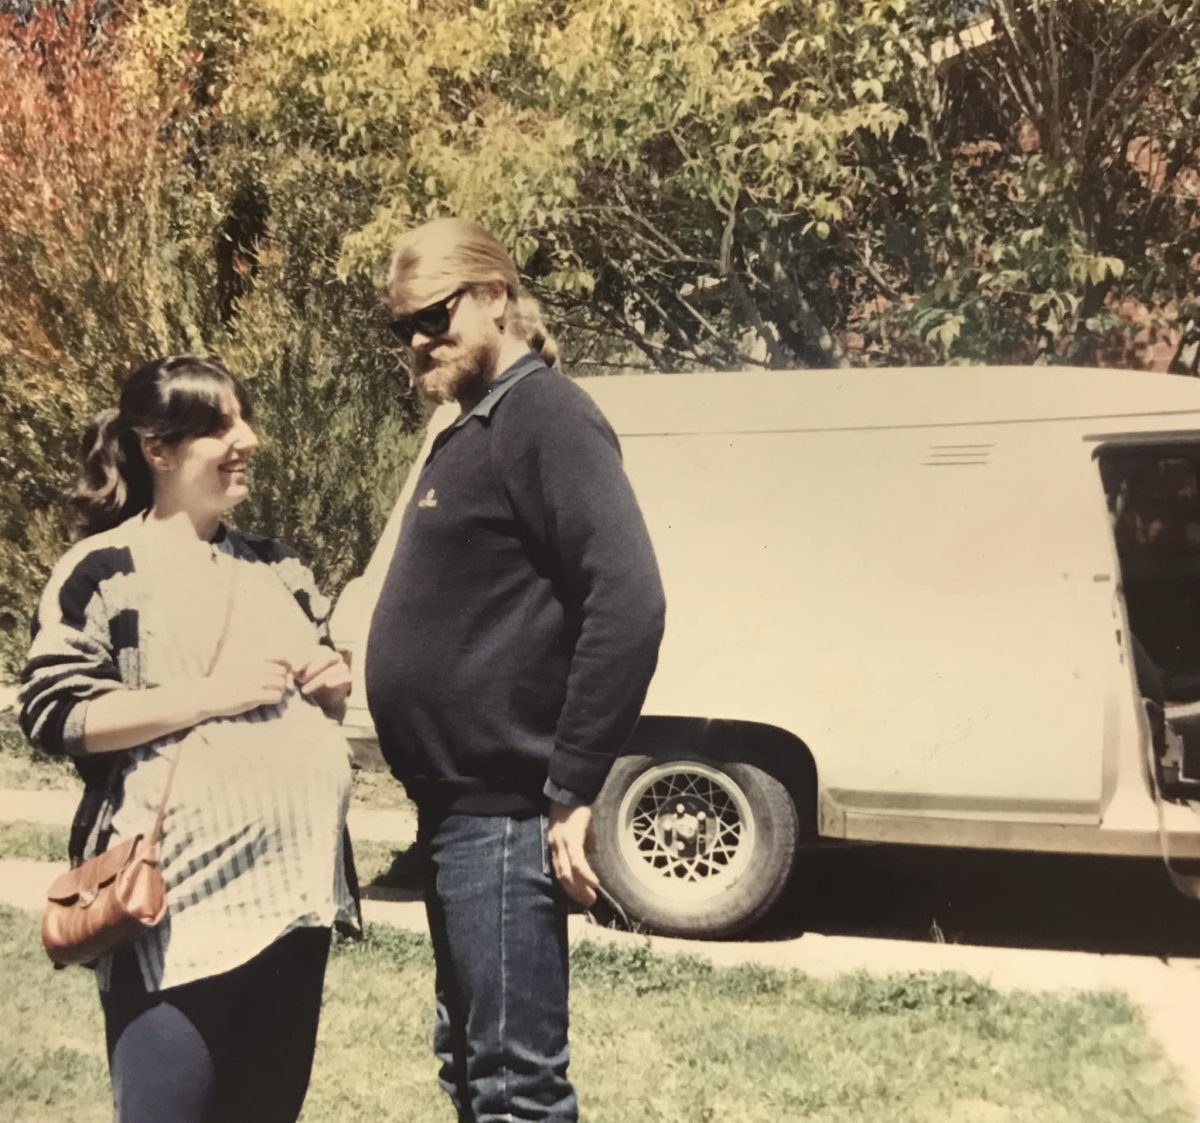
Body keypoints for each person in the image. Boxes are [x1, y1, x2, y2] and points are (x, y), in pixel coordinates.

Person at [366, 217, 667, 1122]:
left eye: (432, 317)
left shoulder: (547, 414)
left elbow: (629, 601)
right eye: (402, 328)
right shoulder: (474, 426)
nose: (417, 342)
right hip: (457, 814)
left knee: (515, 1090)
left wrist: (571, 786)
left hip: (502, 816)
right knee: (472, 1070)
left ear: (495, 295)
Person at [19, 355, 361, 1123]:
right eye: (219, 426)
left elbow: (324, 700)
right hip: (175, 911)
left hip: (295, 902)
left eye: (244, 418)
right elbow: (53, 712)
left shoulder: (279, 566)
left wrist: (331, 682)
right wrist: (212, 694)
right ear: (157, 449)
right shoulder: (104, 570)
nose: (248, 438)